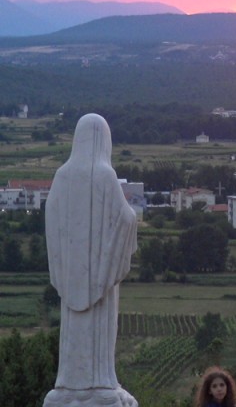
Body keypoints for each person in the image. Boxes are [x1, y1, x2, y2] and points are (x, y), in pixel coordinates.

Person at [43, 113, 139, 407]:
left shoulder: (62, 174)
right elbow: (124, 217)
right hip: (100, 277)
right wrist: (134, 218)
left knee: (73, 333)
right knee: (99, 334)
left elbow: (51, 217)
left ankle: (70, 383)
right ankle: (99, 383)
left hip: (72, 274)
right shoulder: (104, 174)